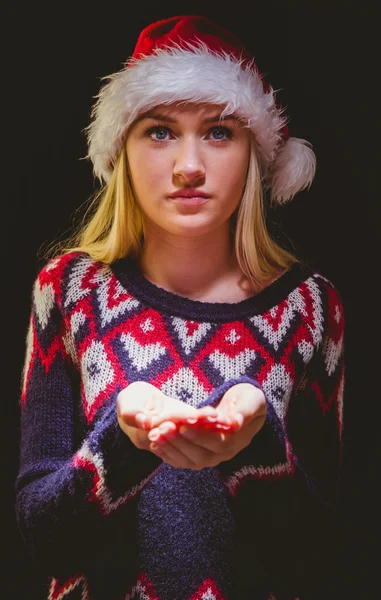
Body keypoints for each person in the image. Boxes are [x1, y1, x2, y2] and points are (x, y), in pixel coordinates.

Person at [15, 14, 345, 600]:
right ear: (122, 149)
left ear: (252, 153)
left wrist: (255, 446)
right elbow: (42, 537)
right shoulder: (69, 290)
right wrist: (123, 439)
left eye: (218, 132)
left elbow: (320, 554)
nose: (188, 166)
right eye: (160, 131)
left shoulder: (308, 308)